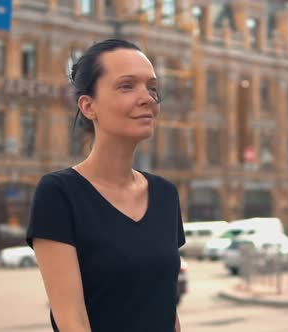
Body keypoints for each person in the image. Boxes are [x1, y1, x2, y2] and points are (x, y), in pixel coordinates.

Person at [26, 39, 185, 332]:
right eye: (127, 86)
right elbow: (72, 320)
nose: (147, 98)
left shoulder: (165, 194)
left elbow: (167, 309)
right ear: (88, 106)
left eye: (152, 87)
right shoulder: (59, 194)